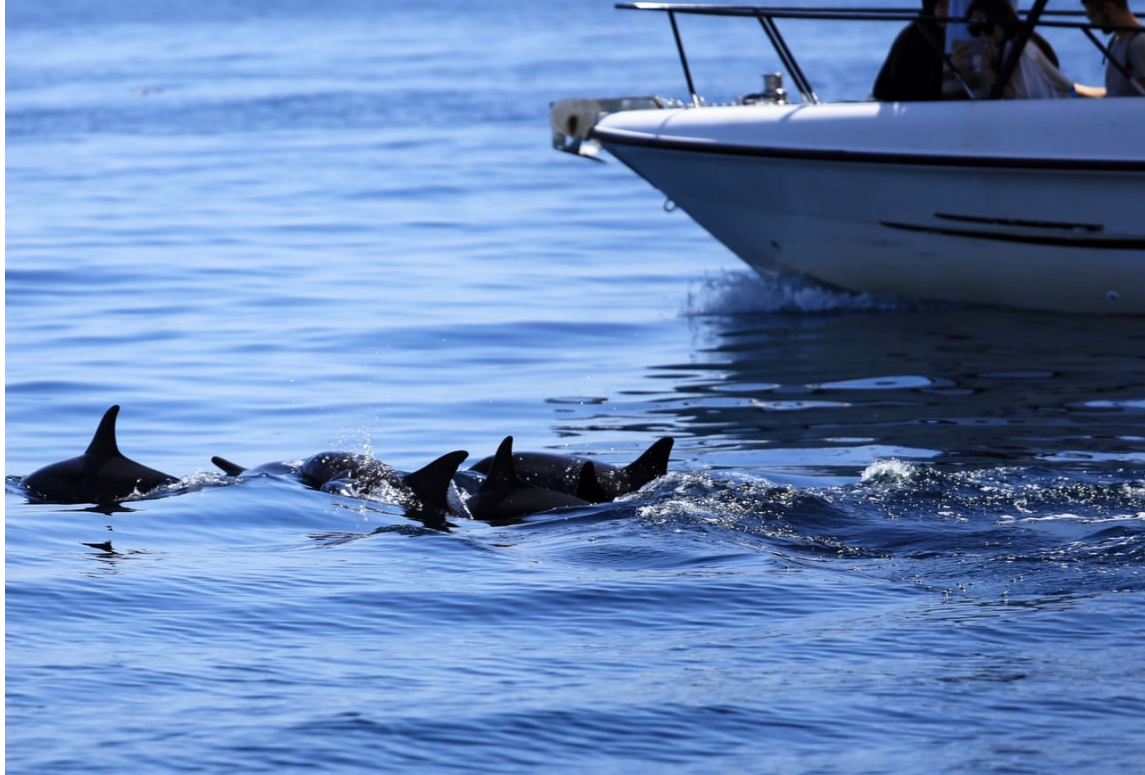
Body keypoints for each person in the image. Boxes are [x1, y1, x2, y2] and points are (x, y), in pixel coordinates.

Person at [956, 0, 1076, 98]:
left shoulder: (1021, 50)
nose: (982, 35)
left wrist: (987, 70)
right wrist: (960, 65)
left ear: (1002, 21)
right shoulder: (996, 50)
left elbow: (1015, 98)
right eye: (975, 30)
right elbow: (982, 85)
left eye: (988, 27)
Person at [872, 0, 950, 100]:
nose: (948, 10)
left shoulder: (955, 33)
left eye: (952, 5)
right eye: (942, 5)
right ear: (931, 8)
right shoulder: (916, 37)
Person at [1082, 0, 1145, 96]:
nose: (1092, 22)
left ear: (1108, 8)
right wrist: (1072, 89)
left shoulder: (1138, 44)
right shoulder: (1117, 40)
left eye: (1092, 15)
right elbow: (1114, 93)